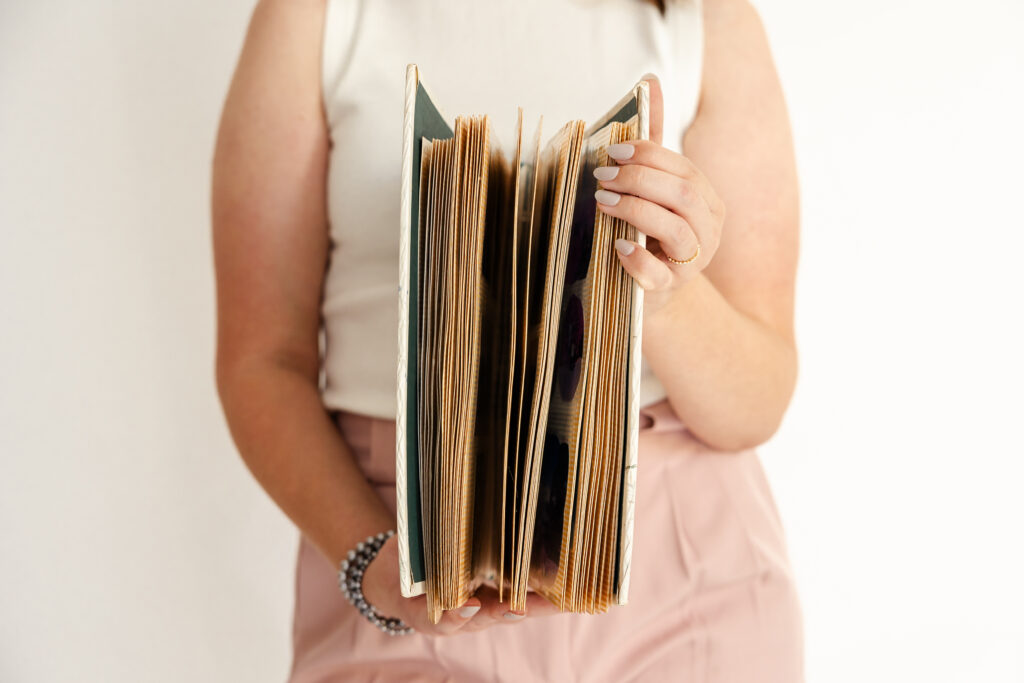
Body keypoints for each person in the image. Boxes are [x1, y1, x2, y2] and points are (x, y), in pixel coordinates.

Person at [212, 0, 803, 679]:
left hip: (685, 570)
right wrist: (368, 562)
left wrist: (664, 296)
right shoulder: (318, 13)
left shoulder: (704, 19)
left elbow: (759, 399)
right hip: (401, 541)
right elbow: (263, 360)